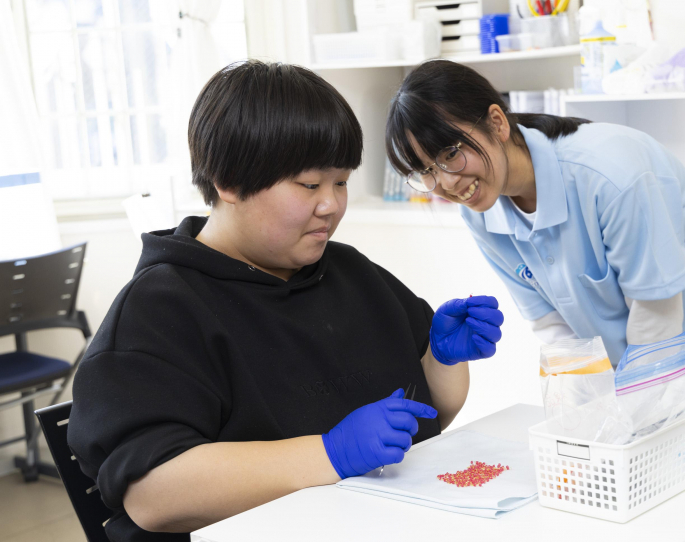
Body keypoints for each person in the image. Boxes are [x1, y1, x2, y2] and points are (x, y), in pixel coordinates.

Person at [67, 61, 503, 541]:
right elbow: (154, 497)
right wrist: (330, 454)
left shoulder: (349, 273)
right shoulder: (161, 310)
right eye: (310, 184)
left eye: (341, 182)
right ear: (229, 182)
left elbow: (428, 421)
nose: (331, 204)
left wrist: (441, 359)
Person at [384, 60, 685, 379]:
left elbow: (656, 317)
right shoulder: (481, 213)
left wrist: (634, 415)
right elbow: (553, 326)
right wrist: (588, 406)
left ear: (497, 123)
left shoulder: (610, 175)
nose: (447, 183)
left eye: (450, 153)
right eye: (426, 171)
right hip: (631, 362)